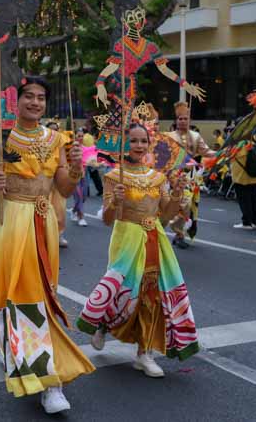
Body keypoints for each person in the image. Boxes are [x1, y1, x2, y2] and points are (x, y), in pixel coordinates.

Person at [0, 77, 94, 413]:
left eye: (41, 98)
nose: (35, 103)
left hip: (44, 221)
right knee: (16, 291)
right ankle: (50, 381)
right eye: (28, 97)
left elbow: (62, 189)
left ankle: (21, 354)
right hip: (11, 220)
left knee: (42, 293)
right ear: (15, 101)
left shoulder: (57, 138)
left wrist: (75, 169)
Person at [77, 123, 199, 377]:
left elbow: (164, 215)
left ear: (149, 143)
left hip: (154, 238)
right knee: (123, 291)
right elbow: (108, 219)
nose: (139, 146)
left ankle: (145, 353)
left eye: (143, 141)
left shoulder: (158, 177)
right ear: (125, 144)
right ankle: (103, 324)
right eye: (133, 141)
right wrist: (115, 202)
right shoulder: (114, 177)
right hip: (126, 239)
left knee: (151, 293)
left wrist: (177, 198)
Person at [166, 101, 215, 249]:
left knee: (190, 206)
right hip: (174, 175)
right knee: (181, 204)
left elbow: (206, 151)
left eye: (185, 118)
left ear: (189, 120)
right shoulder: (169, 136)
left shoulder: (195, 136)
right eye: (179, 118)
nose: (182, 121)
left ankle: (180, 234)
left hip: (192, 175)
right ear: (176, 120)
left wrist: (220, 153)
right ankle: (178, 233)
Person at [231, 140, 256, 229]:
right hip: (255, 177)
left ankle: (247, 223)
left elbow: (226, 155)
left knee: (245, 201)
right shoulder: (254, 144)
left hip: (241, 178)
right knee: (254, 200)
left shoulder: (237, 147)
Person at [70, 127, 89, 227]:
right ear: (75, 136)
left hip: (85, 175)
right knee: (79, 196)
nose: (81, 138)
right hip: (75, 176)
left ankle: (73, 210)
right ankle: (81, 217)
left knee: (84, 196)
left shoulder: (86, 148)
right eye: (79, 136)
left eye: (82, 136)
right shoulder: (72, 148)